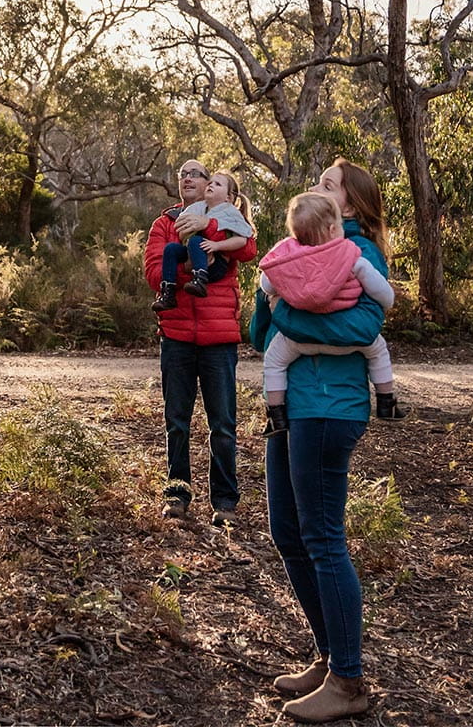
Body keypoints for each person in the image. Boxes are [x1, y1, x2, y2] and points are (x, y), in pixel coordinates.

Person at [246, 158, 387, 723]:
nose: (315, 188)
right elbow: (258, 335)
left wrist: (287, 316)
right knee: (287, 532)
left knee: (323, 537)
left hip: (330, 407)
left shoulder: (358, 255)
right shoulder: (295, 251)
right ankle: (330, 656)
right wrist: (269, 292)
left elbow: (363, 329)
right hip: (293, 406)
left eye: (327, 185)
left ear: (348, 206)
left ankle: (348, 679)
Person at [145, 160, 258, 528]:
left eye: (196, 174)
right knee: (176, 421)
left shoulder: (225, 215)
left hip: (219, 337)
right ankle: (177, 494)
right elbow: (152, 273)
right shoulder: (165, 223)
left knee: (222, 424)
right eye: (182, 174)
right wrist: (197, 265)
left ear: (211, 184)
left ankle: (224, 501)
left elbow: (247, 248)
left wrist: (207, 228)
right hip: (176, 336)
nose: (187, 178)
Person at [256, 192, 397, 435]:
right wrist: (387, 301)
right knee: (378, 350)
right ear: (333, 229)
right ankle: (387, 402)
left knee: (274, 360)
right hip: (349, 342)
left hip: (299, 341)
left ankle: (275, 415)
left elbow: (267, 284)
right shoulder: (351, 255)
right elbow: (384, 294)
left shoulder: (289, 254)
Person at [153, 171, 254, 311]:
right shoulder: (195, 209)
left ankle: (200, 279)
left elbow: (244, 242)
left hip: (216, 265)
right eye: (183, 174)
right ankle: (168, 292)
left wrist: (216, 244)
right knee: (171, 249)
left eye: (217, 184)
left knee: (196, 241)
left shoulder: (231, 213)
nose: (211, 185)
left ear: (228, 197)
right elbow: (181, 233)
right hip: (192, 255)